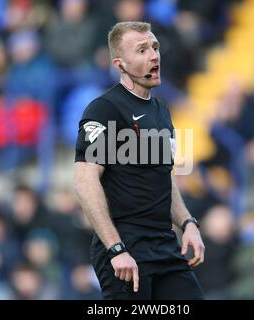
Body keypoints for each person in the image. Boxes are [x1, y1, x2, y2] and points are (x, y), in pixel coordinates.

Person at [74, 21, 205, 300]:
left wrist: (187, 222)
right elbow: (86, 181)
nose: (154, 55)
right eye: (142, 50)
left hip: (165, 245)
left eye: (155, 47)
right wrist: (115, 248)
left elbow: (163, 176)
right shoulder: (104, 109)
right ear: (120, 64)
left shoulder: (161, 111)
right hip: (126, 248)